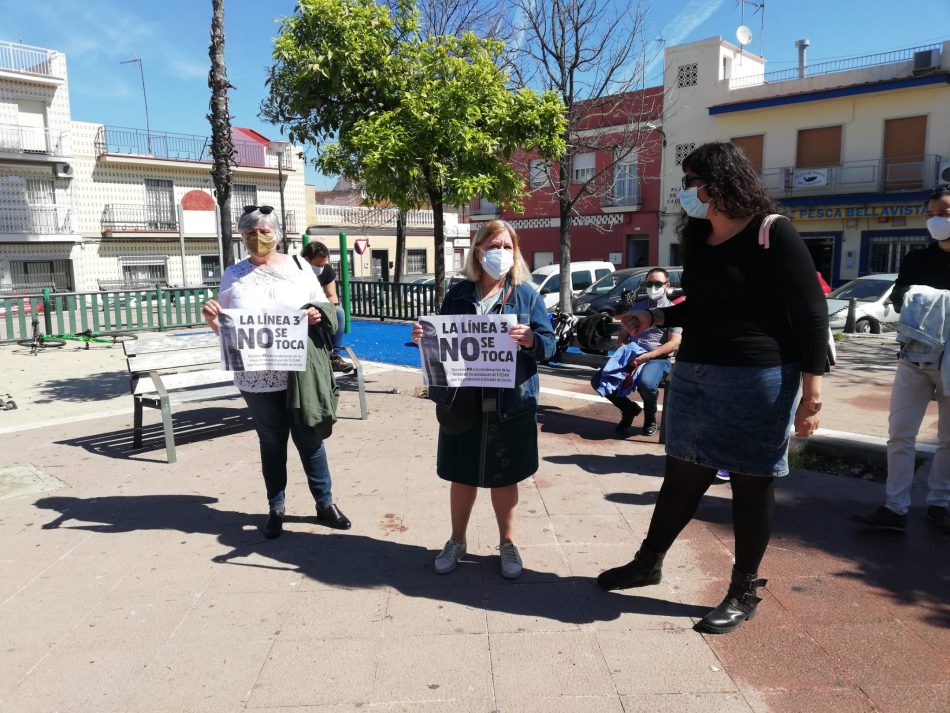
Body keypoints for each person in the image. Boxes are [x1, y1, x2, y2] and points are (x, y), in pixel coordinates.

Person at [596, 142, 829, 635]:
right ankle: (648, 563)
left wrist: (812, 395)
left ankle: (744, 591)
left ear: (722, 181)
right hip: (696, 372)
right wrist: (653, 316)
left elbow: (811, 314)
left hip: (759, 378)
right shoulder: (701, 238)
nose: (686, 191)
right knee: (681, 475)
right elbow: (698, 305)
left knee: (751, 481)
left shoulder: (773, 232)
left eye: (692, 179)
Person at [411, 219, 555, 579]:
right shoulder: (459, 294)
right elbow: (442, 343)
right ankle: (457, 541)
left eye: (507, 247)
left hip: (511, 405)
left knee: (506, 477)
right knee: (462, 476)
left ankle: (507, 544)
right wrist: (422, 338)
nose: (501, 253)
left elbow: (549, 346)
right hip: (463, 402)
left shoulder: (526, 295)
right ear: (478, 250)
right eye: (494, 246)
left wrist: (531, 340)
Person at [201, 205, 351, 539]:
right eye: (249, 233)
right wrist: (214, 321)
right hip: (256, 375)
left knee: (309, 437)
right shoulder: (233, 274)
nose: (257, 238)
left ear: (277, 234)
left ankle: (325, 504)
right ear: (242, 237)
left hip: (300, 371)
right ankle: (276, 507)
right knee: (271, 441)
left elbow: (327, 306)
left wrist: (315, 313)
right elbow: (229, 328)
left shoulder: (299, 267)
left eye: (263, 231)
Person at [853, 184, 950, 534]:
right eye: (932, 213)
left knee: (949, 439)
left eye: (945, 213)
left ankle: (940, 504)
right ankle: (895, 507)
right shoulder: (917, 259)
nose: (937, 220)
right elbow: (897, 299)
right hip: (915, 356)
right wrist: (919, 298)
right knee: (900, 433)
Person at [592, 267, 682, 436]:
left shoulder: (673, 312)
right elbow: (624, 334)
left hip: (657, 359)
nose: (653, 287)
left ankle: (650, 417)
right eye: (649, 283)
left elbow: (673, 344)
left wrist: (645, 357)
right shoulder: (637, 308)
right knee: (598, 381)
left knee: (646, 383)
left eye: (657, 283)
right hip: (632, 355)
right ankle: (629, 409)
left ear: (667, 285)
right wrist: (622, 346)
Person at [300, 241, 354, 373]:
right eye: (318, 265)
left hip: (318, 304)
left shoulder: (326, 270)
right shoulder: (296, 270)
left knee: (339, 312)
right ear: (307, 260)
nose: (321, 267)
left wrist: (330, 310)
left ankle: (335, 356)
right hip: (300, 306)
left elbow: (331, 295)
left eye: (324, 264)